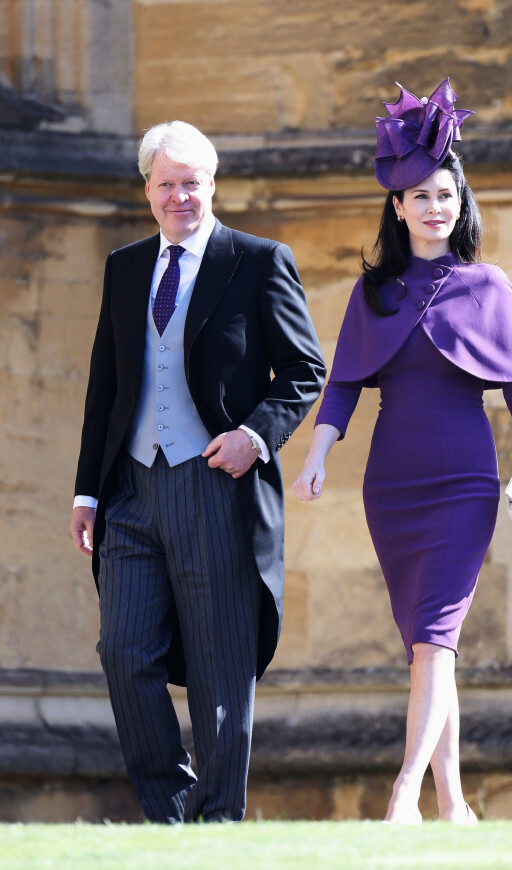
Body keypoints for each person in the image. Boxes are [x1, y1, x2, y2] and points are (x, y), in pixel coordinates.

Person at [293, 79, 512, 824]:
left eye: (445, 194)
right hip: (393, 485)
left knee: (436, 641)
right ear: (398, 206)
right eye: (419, 196)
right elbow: (344, 385)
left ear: (459, 200)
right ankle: (453, 800)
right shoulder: (373, 292)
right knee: (425, 645)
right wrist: (317, 455)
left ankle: (404, 792)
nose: (434, 206)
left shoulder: (490, 286)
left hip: (464, 485)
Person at [70, 120, 326, 823]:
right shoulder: (125, 267)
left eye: (192, 184)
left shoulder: (257, 259)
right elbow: (106, 386)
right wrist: (87, 491)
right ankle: (170, 811)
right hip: (130, 490)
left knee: (219, 667)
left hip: (215, 484)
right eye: (166, 184)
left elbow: (305, 372)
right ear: (146, 189)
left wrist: (254, 436)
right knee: (123, 652)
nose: (179, 197)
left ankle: (214, 827)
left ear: (211, 186)